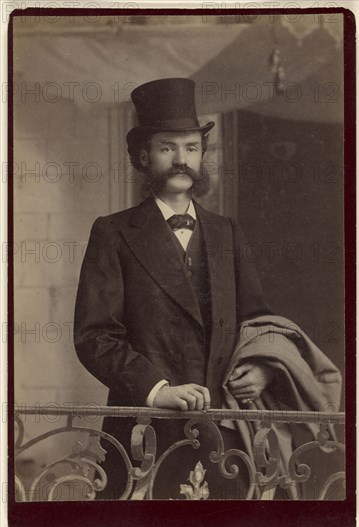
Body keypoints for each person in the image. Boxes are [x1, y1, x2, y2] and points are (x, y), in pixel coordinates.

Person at [74, 78, 342, 500]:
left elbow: (258, 321)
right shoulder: (112, 232)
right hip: (145, 432)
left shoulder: (225, 231)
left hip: (225, 432)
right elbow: (95, 338)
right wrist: (159, 390)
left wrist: (262, 369)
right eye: (167, 148)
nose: (181, 160)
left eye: (191, 148)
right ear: (143, 156)